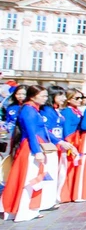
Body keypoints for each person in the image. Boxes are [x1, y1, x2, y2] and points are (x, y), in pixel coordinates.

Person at [2, 86, 76, 221]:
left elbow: (44, 130)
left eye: (46, 96)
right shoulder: (28, 110)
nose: (45, 98)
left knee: (35, 177)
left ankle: (30, 209)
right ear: (32, 96)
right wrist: (37, 151)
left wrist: (59, 142)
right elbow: (31, 133)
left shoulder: (34, 110)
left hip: (37, 144)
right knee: (29, 179)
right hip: (31, 147)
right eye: (42, 96)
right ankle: (24, 211)